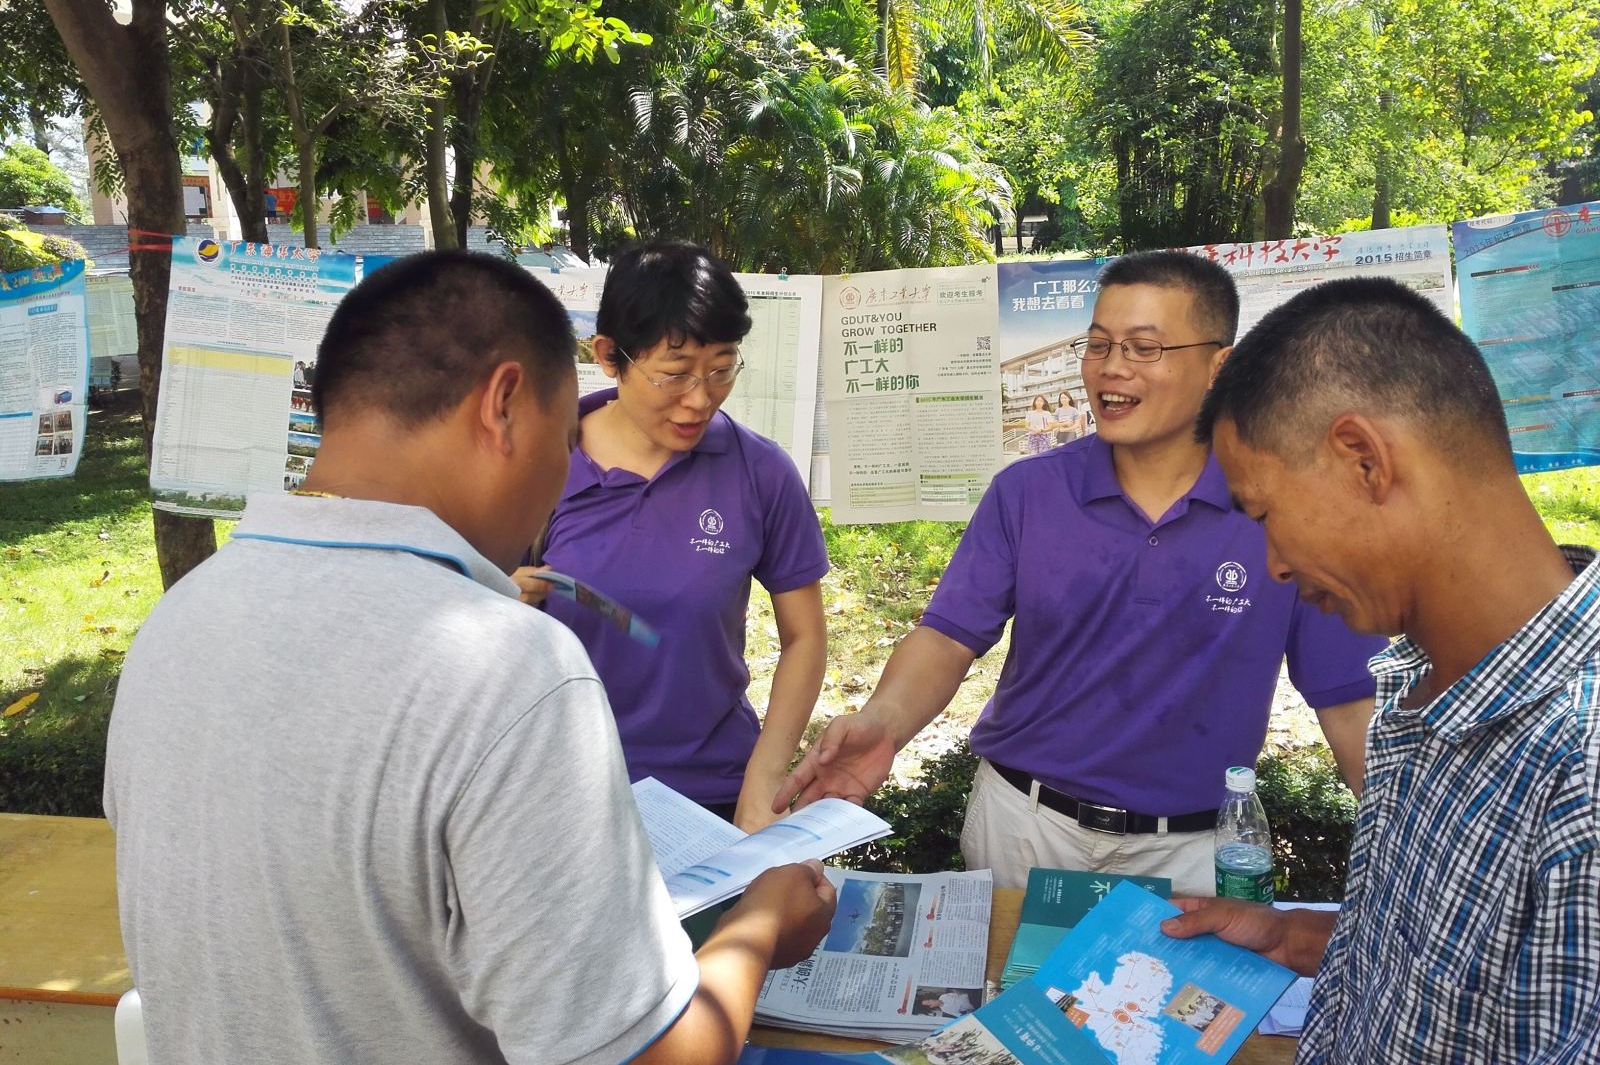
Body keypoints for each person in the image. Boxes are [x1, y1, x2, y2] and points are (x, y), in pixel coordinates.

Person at [104, 249, 836, 1065]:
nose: (563, 477)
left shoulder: (173, 630)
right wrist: (761, 924)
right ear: (504, 407)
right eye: (562, 440)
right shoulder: (508, 673)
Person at [778, 250, 1384, 894]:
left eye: (1144, 347)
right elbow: (948, 636)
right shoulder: (1028, 492)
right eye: (1098, 345)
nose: (1112, 367)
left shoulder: (1283, 509)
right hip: (1025, 827)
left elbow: (1350, 701)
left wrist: (1404, 845)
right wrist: (883, 723)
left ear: (1220, 366)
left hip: (1191, 853)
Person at [1166, 276, 1600, 1060]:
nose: (1274, 565)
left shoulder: (1580, 778)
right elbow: (1450, 979)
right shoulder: (1419, 688)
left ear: (1364, 459)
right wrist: (1297, 937)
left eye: (1265, 515)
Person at [514, 240, 828, 831]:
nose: (699, 399)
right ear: (609, 356)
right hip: (563, 796)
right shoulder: (539, 461)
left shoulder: (759, 471)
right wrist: (499, 602)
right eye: (674, 375)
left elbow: (805, 637)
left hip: (713, 794)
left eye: (721, 370)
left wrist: (761, 784)